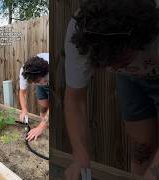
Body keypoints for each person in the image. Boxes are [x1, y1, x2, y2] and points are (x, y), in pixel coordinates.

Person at [64, 0, 159, 179]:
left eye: (120, 60)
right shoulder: (82, 32)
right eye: (106, 64)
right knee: (141, 151)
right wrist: (80, 156)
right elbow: (75, 100)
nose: (113, 68)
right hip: (132, 79)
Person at [19, 53, 50, 141]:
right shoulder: (25, 73)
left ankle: (45, 125)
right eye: (36, 82)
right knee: (44, 105)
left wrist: (40, 127)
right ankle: (46, 123)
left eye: (41, 81)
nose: (43, 84)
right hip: (42, 78)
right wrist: (24, 109)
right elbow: (22, 93)